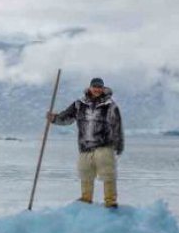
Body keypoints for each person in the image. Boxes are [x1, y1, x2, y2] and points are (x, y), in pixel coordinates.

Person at [47, 77, 124, 208]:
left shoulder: (110, 106)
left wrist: (118, 144)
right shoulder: (79, 104)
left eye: (99, 87)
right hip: (85, 147)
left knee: (108, 174)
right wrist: (54, 119)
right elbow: (66, 117)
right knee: (85, 174)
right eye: (95, 87)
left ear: (103, 89)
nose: (97, 89)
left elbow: (117, 126)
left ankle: (110, 201)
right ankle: (86, 199)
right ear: (90, 88)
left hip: (104, 146)